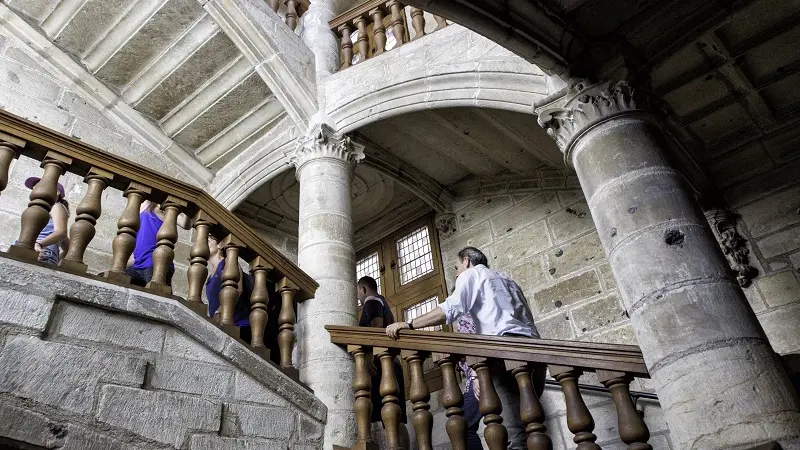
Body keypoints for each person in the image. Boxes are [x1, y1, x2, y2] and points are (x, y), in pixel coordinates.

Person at [385, 247, 545, 450]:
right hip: (535, 353)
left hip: (505, 353)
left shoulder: (472, 274)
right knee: (530, 426)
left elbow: (450, 308)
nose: (457, 273)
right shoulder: (508, 280)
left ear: (466, 261)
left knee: (514, 434)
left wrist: (409, 325)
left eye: (456, 267)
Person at [356, 276, 410, 449]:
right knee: (395, 416)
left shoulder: (371, 301)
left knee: (391, 417)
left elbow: (377, 326)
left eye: (358, 292)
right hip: (392, 365)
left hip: (382, 365)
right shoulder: (382, 301)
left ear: (363, 289)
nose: (358, 297)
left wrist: (371, 355)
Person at [126, 200, 191, 286]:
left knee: (158, 294)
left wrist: (189, 203)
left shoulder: (159, 206)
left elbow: (185, 223)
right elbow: (134, 256)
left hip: (156, 265)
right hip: (137, 267)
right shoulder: (137, 213)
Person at [206, 234, 255, 343]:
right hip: (221, 325)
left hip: (238, 326)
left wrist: (219, 312)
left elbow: (237, 289)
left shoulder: (228, 262)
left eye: (208, 240)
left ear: (219, 244)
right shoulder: (210, 275)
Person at [22, 177, 70, 265]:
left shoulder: (56, 206)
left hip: (39, 250)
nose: (34, 189)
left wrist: (40, 244)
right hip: (30, 247)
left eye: (39, 186)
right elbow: (68, 247)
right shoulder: (45, 211)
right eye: (34, 188)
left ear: (57, 192)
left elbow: (61, 232)